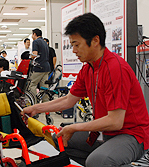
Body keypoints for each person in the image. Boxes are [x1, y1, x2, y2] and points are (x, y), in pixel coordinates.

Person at [23, 13, 149, 167]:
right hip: (105, 132)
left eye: (77, 44)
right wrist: (35, 108)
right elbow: (68, 100)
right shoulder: (88, 68)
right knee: (59, 139)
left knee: (98, 161)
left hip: (132, 135)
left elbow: (115, 121)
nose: (74, 50)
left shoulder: (115, 68)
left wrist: (74, 127)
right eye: (72, 45)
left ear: (95, 40)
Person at [29, 28, 50, 102]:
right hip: (46, 67)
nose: (32, 36)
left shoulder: (36, 42)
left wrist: (29, 56)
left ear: (34, 34)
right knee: (44, 87)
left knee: (32, 84)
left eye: (32, 34)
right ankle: (46, 105)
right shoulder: (44, 42)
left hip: (39, 67)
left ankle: (33, 101)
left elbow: (35, 54)